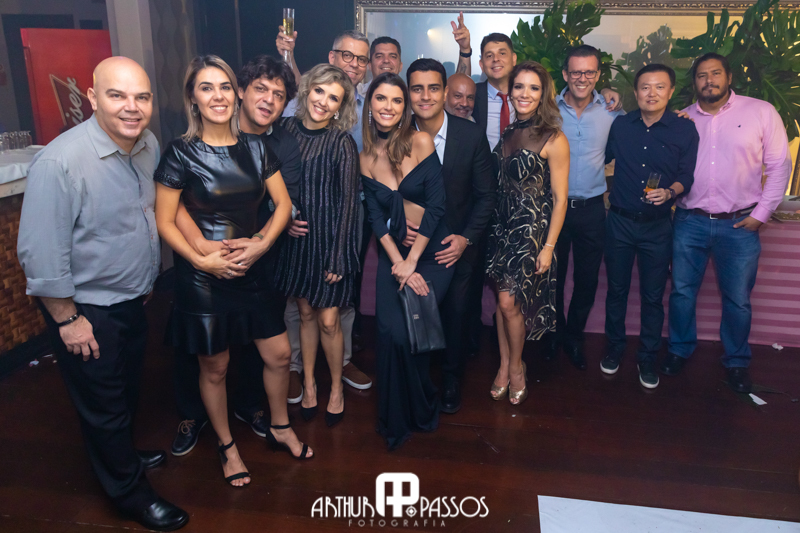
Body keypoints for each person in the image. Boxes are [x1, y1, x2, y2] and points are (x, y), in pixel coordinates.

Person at [17, 56, 189, 531]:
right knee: (105, 404)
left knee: (126, 390)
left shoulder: (147, 145)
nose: (132, 107)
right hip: (86, 310)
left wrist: (145, 278)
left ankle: (122, 457)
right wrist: (68, 320)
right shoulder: (60, 162)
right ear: (93, 98)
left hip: (131, 297)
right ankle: (129, 493)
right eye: (117, 96)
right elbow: (40, 253)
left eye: (142, 97)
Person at [155, 55, 313, 489]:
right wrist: (201, 260)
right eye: (206, 88)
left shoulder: (257, 147)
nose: (218, 96)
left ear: (235, 92)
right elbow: (165, 220)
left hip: (252, 269)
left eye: (224, 86)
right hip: (203, 275)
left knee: (278, 354)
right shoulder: (180, 152)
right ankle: (227, 446)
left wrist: (261, 242)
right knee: (216, 367)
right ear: (193, 97)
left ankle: (280, 426)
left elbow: (283, 204)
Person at [664, 53, 792, 393]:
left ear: (729, 77)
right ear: (694, 82)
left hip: (739, 225)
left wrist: (761, 214)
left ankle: (736, 360)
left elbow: (779, 165)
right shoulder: (683, 119)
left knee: (738, 299)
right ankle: (679, 349)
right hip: (689, 221)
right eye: (702, 75)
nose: (709, 80)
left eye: (715, 73)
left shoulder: (761, 112)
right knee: (681, 292)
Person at [360, 72, 453, 450]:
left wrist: (412, 261)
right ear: (369, 104)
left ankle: (422, 404)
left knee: (414, 333)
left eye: (397, 100)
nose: (389, 106)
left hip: (430, 254)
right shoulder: (365, 157)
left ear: (405, 108)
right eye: (381, 98)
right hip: (394, 255)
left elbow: (437, 206)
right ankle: (395, 416)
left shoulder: (420, 141)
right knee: (390, 335)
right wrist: (398, 261)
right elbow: (375, 219)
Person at [277, 29, 373, 394]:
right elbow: (271, 180)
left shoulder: (344, 137)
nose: (324, 101)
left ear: (340, 105)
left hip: (335, 230)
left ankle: (337, 375)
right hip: (297, 236)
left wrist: (339, 254)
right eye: (319, 91)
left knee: (333, 314)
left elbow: (349, 199)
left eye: (333, 97)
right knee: (301, 310)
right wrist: (282, 217)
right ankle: (302, 375)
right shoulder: (285, 126)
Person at [406, 58, 495, 414]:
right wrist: (399, 226)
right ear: (408, 93)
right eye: (417, 88)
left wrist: (465, 239)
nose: (425, 96)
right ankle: (417, 378)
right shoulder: (396, 132)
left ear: (444, 92)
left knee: (456, 313)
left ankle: (451, 377)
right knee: (416, 312)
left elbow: (486, 196)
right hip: (413, 246)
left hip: (457, 243)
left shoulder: (470, 135)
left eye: (433, 88)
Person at [602, 64, 699, 389]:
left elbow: (686, 176)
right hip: (619, 221)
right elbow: (600, 158)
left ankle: (647, 357)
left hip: (657, 226)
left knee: (653, 296)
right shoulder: (621, 125)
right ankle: (614, 348)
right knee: (616, 291)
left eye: (659, 87)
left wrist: (670, 192)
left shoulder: (684, 129)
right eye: (645, 87)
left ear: (670, 92)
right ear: (636, 92)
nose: (652, 93)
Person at [486, 61, 569, 406]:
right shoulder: (508, 132)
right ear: (511, 90)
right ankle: (504, 364)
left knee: (509, 302)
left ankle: (517, 366)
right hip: (501, 226)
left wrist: (548, 247)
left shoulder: (554, 137)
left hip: (531, 230)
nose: (525, 94)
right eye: (519, 86)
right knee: (502, 303)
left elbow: (560, 199)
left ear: (543, 94)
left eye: (533, 88)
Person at [550, 45, 625, 370]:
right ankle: (552, 335)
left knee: (587, 279)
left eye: (589, 72)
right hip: (553, 209)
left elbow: (644, 128)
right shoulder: (547, 110)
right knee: (551, 278)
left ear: (598, 75)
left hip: (592, 209)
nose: (582, 78)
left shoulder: (612, 112)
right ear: (565, 74)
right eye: (576, 72)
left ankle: (574, 337)